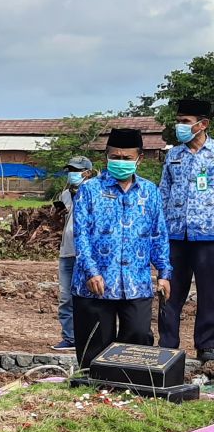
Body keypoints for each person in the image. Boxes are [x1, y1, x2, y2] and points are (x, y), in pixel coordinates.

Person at [72, 128, 171, 369]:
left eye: (127, 158)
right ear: (106, 156)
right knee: (95, 344)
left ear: (139, 158)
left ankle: (131, 386)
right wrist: (91, 271)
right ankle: (94, 388)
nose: (120, 162)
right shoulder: (90, 190)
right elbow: (81, 234)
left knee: (138, 335)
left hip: (135, 282)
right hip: (96, 282)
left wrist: (164, 272)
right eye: (115, 157)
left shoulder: (150, 192)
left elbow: (158, 234)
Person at [158, 98, 214, 362]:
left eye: (185, 122)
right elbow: (163, 192)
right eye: (178, 120)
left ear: (202, 125)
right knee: (170, 291)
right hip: (175, 236)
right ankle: (167, 344)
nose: (179, 126)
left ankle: (207, 346)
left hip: (208, 236)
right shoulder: (174, 155)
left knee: (209, 292)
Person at [52, 156, 95, 352]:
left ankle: (90, 336)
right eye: (70, 169)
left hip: (86, 253)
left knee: (86, 296)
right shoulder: (66, 195)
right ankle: (70, 337)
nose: (72, 174)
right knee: (65, 296)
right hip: (67, 250)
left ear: (87, 172)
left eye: (76, 170)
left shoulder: (95, 192)